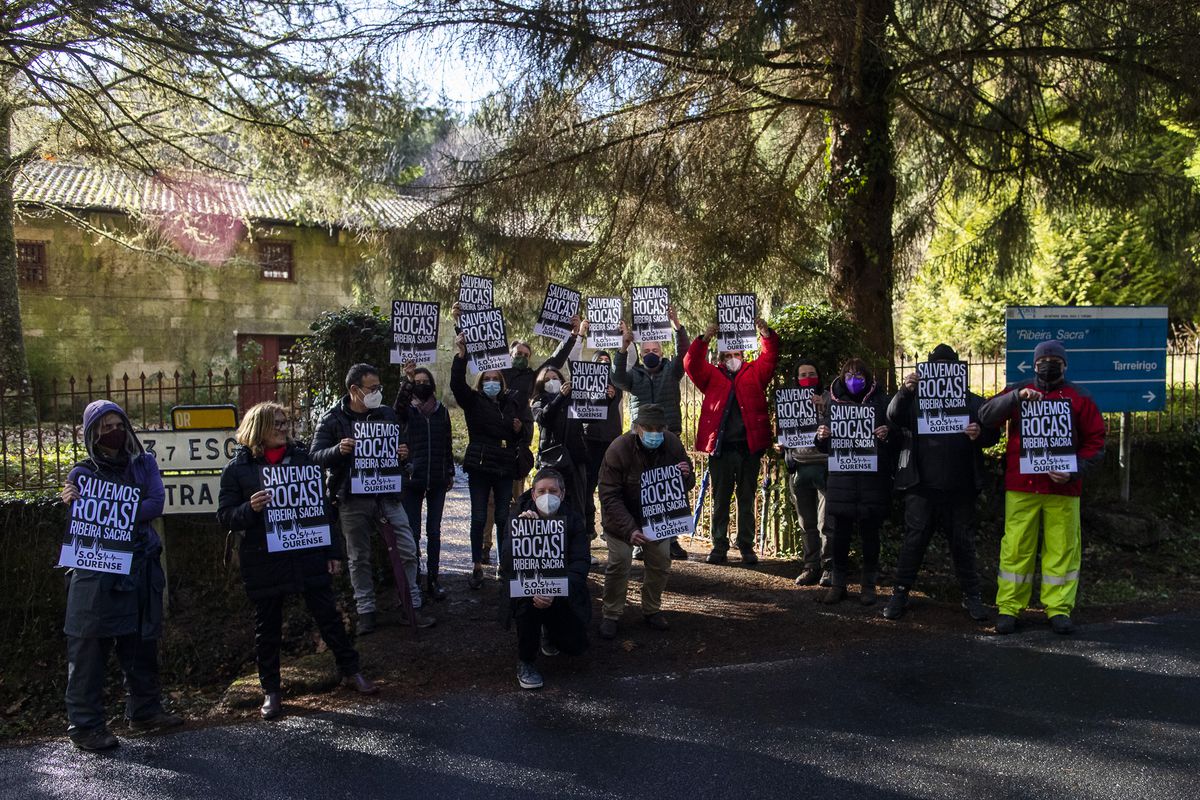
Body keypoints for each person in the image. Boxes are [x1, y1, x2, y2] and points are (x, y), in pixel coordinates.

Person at [217, 402, 378, 720]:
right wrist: (250, 509)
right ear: (258, 428)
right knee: (268, 628)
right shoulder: (237, 469)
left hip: (306, 552)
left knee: (328, 616)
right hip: (264, 559)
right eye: (276, 423)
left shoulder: (303, 460)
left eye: (285, 422)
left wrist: (332, 552)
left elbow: (322, 509)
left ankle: (351, 670)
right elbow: (224, 517)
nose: (283, 427)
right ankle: (271, 691)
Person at [59, 400, 182, 751]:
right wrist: (76, 504)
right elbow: (80, 524)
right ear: (91, 434)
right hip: (98, 572)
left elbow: (155, 504)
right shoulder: (81, 474)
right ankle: (85, 726)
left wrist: (108, 510)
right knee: (89, 650)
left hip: (142, 564)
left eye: (118, 424)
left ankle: (145, 710)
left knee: (142, 642)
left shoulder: (144, 464)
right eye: (104, 427)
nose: (113, 432)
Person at [978, 339, 1106, 635]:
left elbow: (1096, 444)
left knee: (1062, 549)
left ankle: (1059, 609)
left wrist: (1073, 470)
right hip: (1021, 486)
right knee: (1015, 548)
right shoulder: (1019, 391)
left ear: (1064, 365)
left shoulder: (1080, 398)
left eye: (1055, 361)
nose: (1048, 365)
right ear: (1034, 364)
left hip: (1063, 490)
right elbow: (985, 416)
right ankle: (1009, 609)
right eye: (1042, 360)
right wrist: (1016, 399)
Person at [452, 302, 583, 563]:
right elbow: (476, 348)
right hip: (484, 451)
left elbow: (555, 360)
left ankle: (509, 554)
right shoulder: (495, 371)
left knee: (509, 505)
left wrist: (572, 334)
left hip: (514, 448)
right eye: (517, 352)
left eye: (525, 352)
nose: (521, 355)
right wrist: (460, 322)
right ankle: (484, 550)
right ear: (508, 354)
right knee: (484, 508)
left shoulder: (532, 377)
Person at [311, 363, 434, 634]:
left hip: (387, 493)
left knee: (407, 548)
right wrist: (338, 450)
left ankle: (411, 606)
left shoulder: (386, 414)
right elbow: (315, 456)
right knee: (358, 556)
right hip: (352, 497)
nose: (377, 392)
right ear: (354, 390)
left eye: (379, 387)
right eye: (372, 388)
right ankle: (366, 611)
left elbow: (402, 448)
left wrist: (403, 454)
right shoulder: (332, 418)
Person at [883, 344, 1001, 622]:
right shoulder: (916, 399)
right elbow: (892, 417)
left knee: (963, 544)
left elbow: (993, 434)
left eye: (949, 366)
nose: (944, 371)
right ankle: (899, 594)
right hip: (922, 487)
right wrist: (905, 390)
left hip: (960, 489)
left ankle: (972, 596)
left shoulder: (971, 401)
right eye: (939, 366)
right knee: (914, 542)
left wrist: (980, 433)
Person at [684, 316, 781, 565]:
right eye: (728, 355)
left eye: (737, 353)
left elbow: (770, 357)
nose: (733, 358)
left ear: (744, 354)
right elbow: (691, 363)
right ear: (720, 358)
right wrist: (705, 339)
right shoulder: (711, 376)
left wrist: (765, 334)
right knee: (720, 499)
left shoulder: (754, 372)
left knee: (747, 498)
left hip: (749, 447)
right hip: (722, 449)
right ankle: (719, 546)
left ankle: (746, 546)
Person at [597, 404, 696, 639]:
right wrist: (629, 529)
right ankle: (611, 613)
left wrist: (686, 474)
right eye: (648, 428)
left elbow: (685, 485)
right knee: (620, 562)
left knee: (661, 560)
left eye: (658, 428)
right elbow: (609, 495)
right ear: (637, 428)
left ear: (665, 428)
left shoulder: (672, 444)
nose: (654, 433)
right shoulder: (618, 449)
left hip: (657, 520)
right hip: (621, 519)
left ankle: (652, 609)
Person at [451, 333, 533, 589]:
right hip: (480, 465)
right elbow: (456, 384)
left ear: (502, 382)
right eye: (487, 379)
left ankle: (502, 564)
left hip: (505, 465)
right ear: (481, 382)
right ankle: (477, 565)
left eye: (495, 379)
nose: (491, 383)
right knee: (478, 516)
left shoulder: (511, 402)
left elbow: (519, 430)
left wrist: (518, 430)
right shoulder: (473, 401)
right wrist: (461, 356)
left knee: (502, 516)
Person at [814, 358, 899, 605]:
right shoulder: (832, 402)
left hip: (873, 480)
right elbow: (823, 444)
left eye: (859, 375)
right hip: (842, 481)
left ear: (868, 377)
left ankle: (868, 586)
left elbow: (897, 438)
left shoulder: (882, 402)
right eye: (849, 375)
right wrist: (822, 436)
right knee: (840, 536)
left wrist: (887, 434)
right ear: (842, 377)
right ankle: (838, 585)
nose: (854, 379)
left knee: (870, 536)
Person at [612, 307, 690, 560]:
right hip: (641, 439)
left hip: (669, 434)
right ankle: (640, 539)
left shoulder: (672, 370)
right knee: (640, 489)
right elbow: (617, 378)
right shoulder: (633, 377)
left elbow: (684, 355)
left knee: (670, 487)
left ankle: (671, 539)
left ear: (662, 353)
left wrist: (677, 325)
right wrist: (623, 348)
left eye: (655, 351)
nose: (651, 354)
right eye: (646, 352)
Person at [503, 468, 591, 690]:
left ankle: (550, 633)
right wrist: (521, 532)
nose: (547, 496)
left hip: (560, 591)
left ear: (562, 494)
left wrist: (556, 589)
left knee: (575, 646)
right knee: (528, 604)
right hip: (529, 593)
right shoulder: (518, 516)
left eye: (552, 490)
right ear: (533, 495)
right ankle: (526, 661)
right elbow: (506, 564)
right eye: (541, 491)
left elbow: (580, 564)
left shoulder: (573, 519)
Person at [393, 362, 456, 601]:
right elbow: (397, 407)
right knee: (413, 531)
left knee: (434, 531)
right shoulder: (406, 411)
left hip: (438, 479)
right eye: (416, 383)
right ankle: (415, 579)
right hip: (413, 479)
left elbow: (448, 443)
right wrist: (407, 382)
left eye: (424, 382)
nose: (421, 386)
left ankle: (434, 578)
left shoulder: (441, 410)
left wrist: (449, 471)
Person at [777, 359, 834, 586]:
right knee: (806, 522)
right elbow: (783, 433)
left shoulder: (830, 398)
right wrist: (781, 446)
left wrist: (823, 410)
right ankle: (811, 566)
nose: (807, 377)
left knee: (826, 522)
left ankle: (829, 567)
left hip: (823, 466)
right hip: (799, 467)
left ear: (818, 376)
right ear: (796, 378)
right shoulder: (788, 401)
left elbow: (840, 426)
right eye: (802, 374)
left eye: (811, 373)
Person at [530, 364, 590, 518]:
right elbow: (543, 417)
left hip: (575, 458)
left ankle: (578, 537)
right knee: (551, 503)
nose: (552, 381)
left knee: (577, 503)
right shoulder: (538, 401)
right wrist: (560, 397)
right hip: (552, 459)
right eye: (547, 379)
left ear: (562, 380)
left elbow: (590, 416)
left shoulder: (574, 399)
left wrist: (608, 401)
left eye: (555, 378)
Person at [582, 350, 624, 543]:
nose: (604, 363)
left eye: (607, 361)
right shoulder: (584, 383)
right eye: (600, 361)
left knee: (609, 486)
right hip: (589, 439)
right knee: (587, 485)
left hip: (610, 440)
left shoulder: (616, 382)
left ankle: (609, 527)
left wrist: (612, 395)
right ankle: (588, 526)